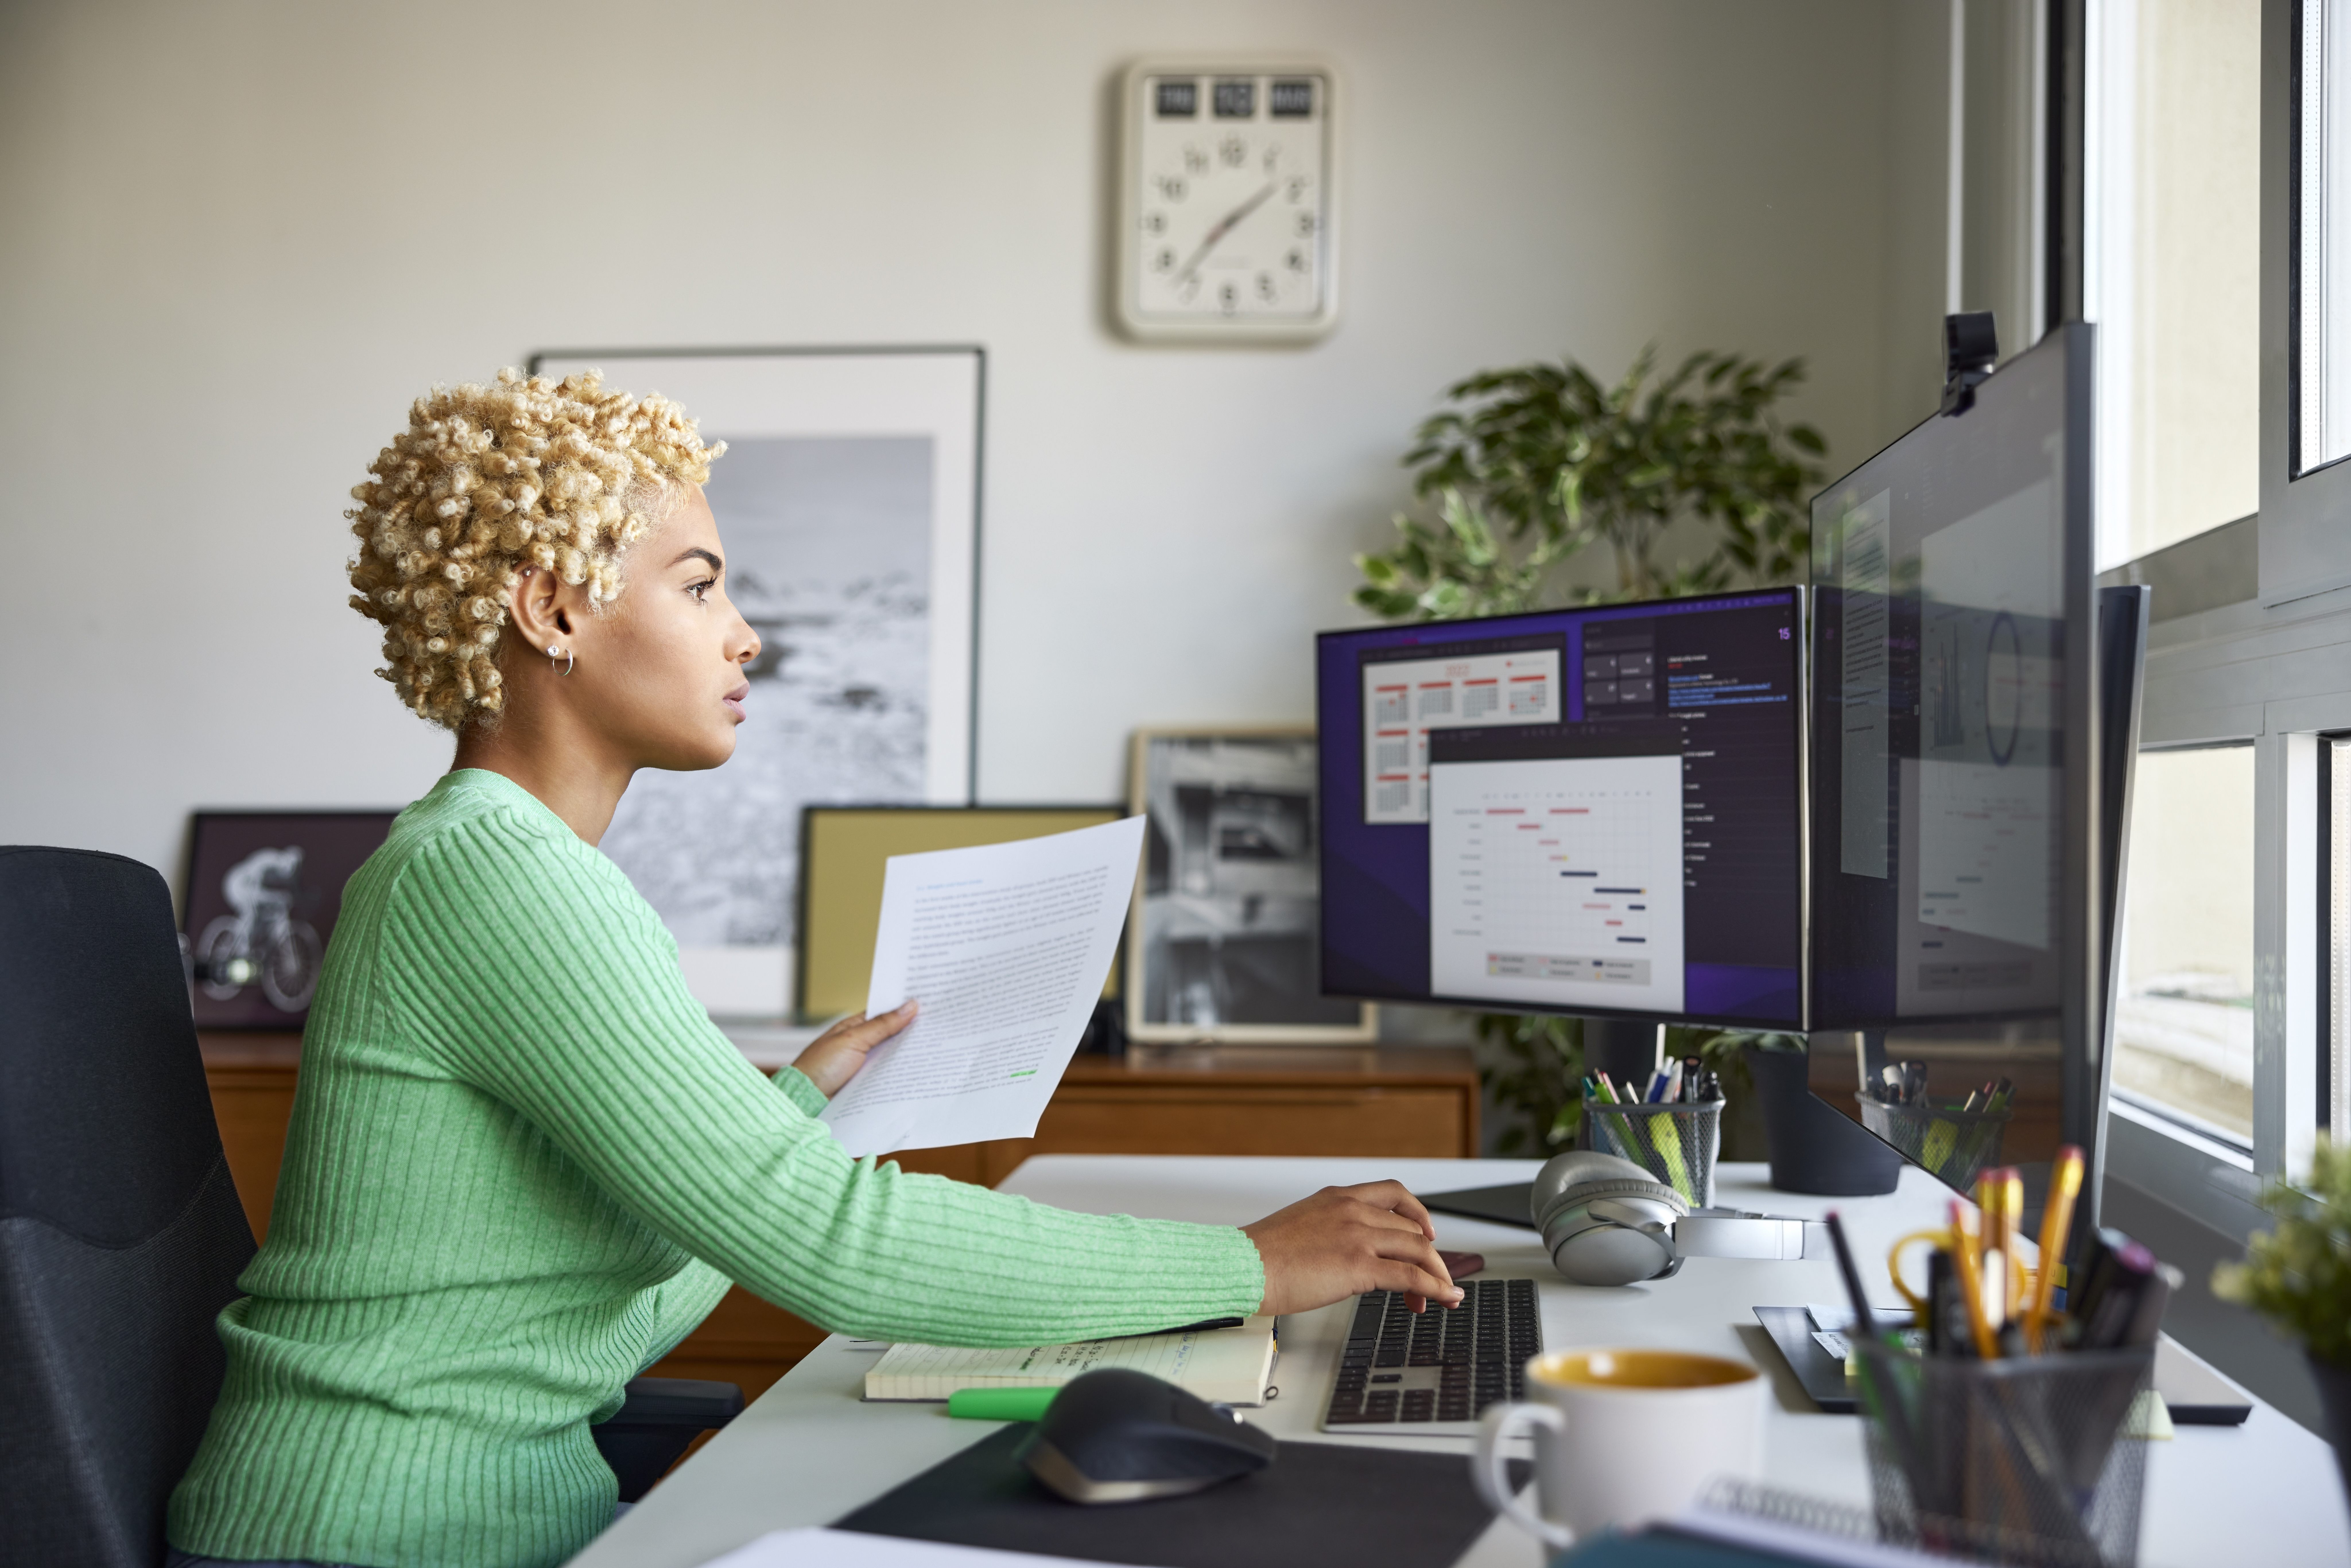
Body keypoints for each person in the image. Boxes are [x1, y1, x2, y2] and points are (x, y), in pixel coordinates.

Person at [166, 370, 1460, 1568]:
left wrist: (790, 1109)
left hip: (443, 1523)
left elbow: (586, 1321)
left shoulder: (500, 865)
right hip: (353, 1540)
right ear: (554, 606)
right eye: (698, 586)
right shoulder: (494, 876)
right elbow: (825, 1247)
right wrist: (1248, 1266)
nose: (747, 639)